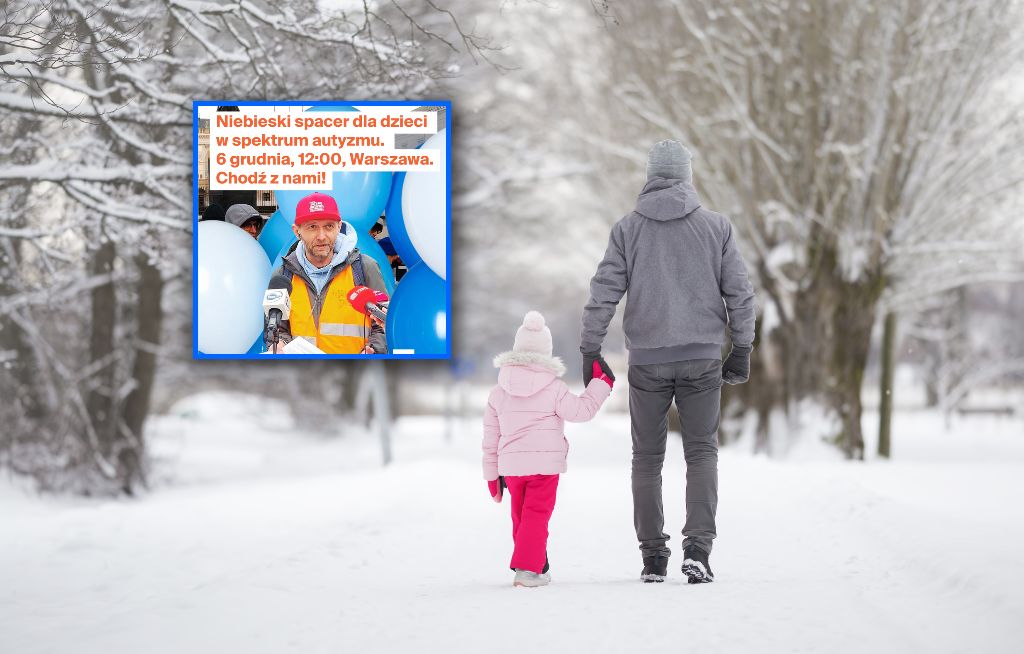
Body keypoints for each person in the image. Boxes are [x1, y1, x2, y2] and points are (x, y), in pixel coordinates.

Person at [579, 140, 756, 584]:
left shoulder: (628, 230)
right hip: (701, 359)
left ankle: (653, 556)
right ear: (687, 176)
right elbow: (739, 293)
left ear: (650, 176)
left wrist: (590, 349)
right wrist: (743, 347)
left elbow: (603, 294)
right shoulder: (717, 228)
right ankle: (698, 549)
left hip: (648, 362)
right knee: (701, 453)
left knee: (647, 457)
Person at [482, 311, 613, 587]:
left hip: (512, 468)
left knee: (521, 516)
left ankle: (535, 565)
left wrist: (492, 476)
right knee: (536, 516)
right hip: (544, 468)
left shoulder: (498, 392)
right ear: (546, 352)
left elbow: (490, 438)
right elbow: (582, 411)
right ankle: (528, 571)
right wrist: (602, 385)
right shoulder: (554, 388)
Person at [265, 192, 387, 354]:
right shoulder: (283, 275)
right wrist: (279, 344)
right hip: (301, 374)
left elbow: (383, 326)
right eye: (312, 227)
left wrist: (372, 351)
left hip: (353, 374)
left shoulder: (364, 268)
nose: (321, 236)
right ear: (297, 231)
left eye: (328, 226)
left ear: (338, 227)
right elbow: (276, 329)